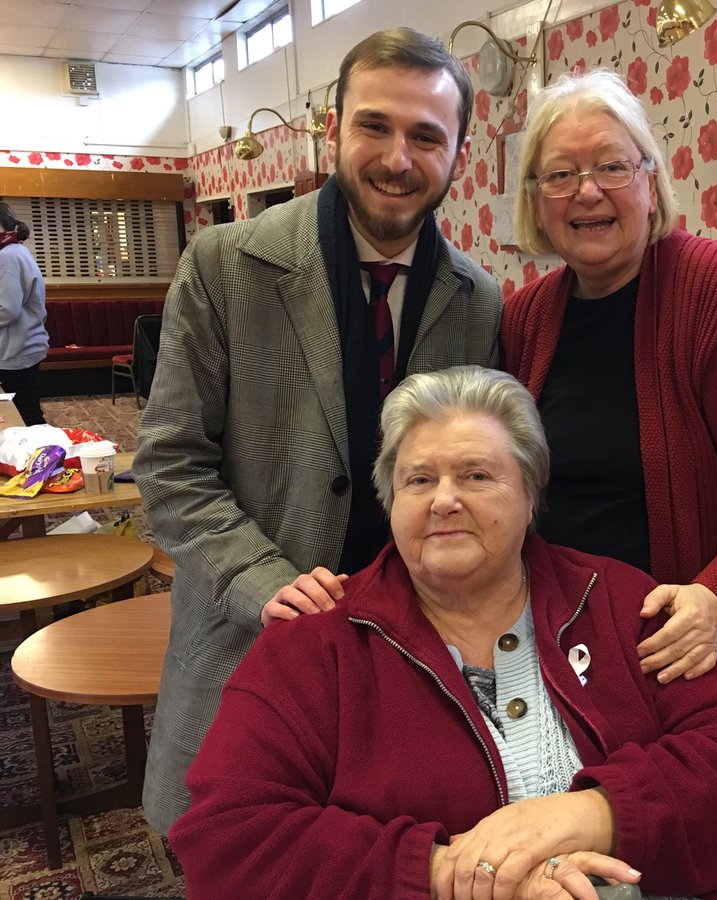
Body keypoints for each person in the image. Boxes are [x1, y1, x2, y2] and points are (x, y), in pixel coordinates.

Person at [169, 365, 717, 900]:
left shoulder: (619, 600)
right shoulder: (315, 643)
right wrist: (446, 873)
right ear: (391, 503)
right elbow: (227, 840)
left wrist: (592, 813)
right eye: (419, 480)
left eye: (476, 475)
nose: (444, 500)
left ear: (530, 496)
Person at [133, 27, 502, 832]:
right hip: (247, 643)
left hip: (405, 659)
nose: (397, 158)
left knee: (384, 855)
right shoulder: (224, 265)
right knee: (234, 854)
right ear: (332, 129)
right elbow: (168, 464)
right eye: (375, 125)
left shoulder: (479, 299)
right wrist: (264, 583)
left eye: (426, 136)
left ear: (458, 155)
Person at [502, 69, 717, 737]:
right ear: (536, 202)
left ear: (651, 183)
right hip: (565, 654)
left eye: (612, 167)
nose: (587, 191)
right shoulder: (525, 319)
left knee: (703, 833)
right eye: (559, 175)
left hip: (692, 653)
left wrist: (716, 600)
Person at [0, 202, 48, 426]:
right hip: (24, 347)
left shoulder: (7, 256)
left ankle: (41, 459)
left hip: (14, 352)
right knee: (27, 414)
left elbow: (7, 309)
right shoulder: (16, 250)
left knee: (24, 420)